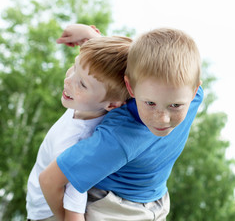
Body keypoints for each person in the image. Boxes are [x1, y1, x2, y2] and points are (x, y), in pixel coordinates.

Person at [39, 24, 204, 221]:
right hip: (113, 208)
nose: (162, 118)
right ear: (131, 88)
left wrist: (94, 38)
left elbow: (153, 58)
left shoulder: (191, 94)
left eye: (175, 105)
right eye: (150, 103)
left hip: (157, 200)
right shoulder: (117, 137)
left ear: (195, 90)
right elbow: (49, 180)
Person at [26, 34, 132, 221]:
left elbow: (74, 207)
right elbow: (103, 61)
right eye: (74, 67)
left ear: (113, 105)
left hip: (45, 213)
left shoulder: (77, 145)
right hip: (36, 201)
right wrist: (87, 34)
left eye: (82, 84)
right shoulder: (91, 104)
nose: (69, 81)